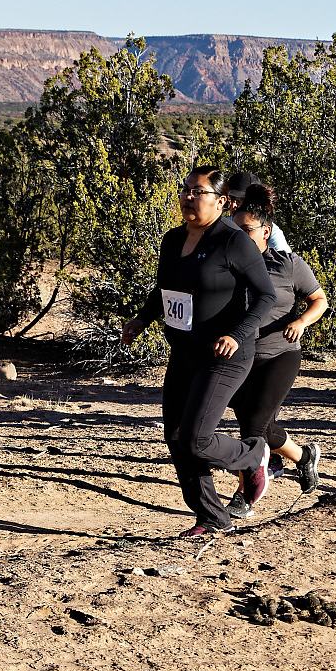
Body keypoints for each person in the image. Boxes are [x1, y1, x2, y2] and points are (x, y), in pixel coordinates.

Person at [121, 167, 277, 537]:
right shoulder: (172, 240)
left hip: (225, 356)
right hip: (185, 353)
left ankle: (253, 454)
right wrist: (142, 320)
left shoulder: (233, 241)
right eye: (186, 189)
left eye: (199, 191)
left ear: (222, 201)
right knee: (176, 436)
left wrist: (238, 334)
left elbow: (266, 295)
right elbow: (164, 289)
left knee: (196, 438)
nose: (189, 196)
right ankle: (211, 516)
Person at [225, 184, 328, 518]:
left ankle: (245, 494)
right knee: (264, 426)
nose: (239, 237)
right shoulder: (228, 266)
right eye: (234, 230)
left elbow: (319, 301)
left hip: (280, 354)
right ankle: (304, 457)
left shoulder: (288, 265)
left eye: (246, 231)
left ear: (266, 232)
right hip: (241, 356)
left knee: (252, 426)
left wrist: (301, 322)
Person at [226, 171, 290, 252]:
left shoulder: (272, 234)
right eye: (231, 199)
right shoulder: (223, 224)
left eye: (239, 200)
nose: (233, 205)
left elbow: (282, 261)